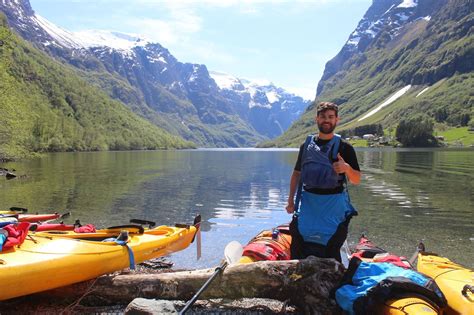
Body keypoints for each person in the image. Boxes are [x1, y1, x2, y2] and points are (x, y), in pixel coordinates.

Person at [286, 101, 361, 262]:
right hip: (308, 204)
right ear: (317, 119)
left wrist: (346, 168)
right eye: (323, 117)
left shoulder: (345, 148)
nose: (326, 120)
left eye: (330, 117)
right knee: (298, 249)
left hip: (333, 207)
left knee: (331, 251)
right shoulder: (306, 146)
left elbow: (356, 180)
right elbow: (296, 174)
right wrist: (290, 200)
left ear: (336, 120)